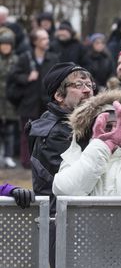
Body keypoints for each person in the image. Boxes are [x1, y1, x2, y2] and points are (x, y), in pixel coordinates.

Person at [27, 63, 94, 196]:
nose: (87, 90)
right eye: (78, 85)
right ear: (59, 96)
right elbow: (77, 183)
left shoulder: (83, 123)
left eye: (89, 85)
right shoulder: (56, 133)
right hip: (60, 212)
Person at [8, 28, 59, 168]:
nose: (47, 41)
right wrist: (27, 78)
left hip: (46, 103)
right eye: (43, 38)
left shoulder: (53, 58)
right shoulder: (25, 58)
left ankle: (42, 162)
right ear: (35, 41)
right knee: (27, 133)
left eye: (47, 38)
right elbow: (13, 76)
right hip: (28, 102)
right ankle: (26, 162)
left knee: (46, 134)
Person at [0, 30, 19, 168]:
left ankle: (8, 155)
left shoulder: (16, 60)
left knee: (10, 130)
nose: (5, 47)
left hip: (11, 100)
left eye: (8, 45)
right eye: (3, 44)